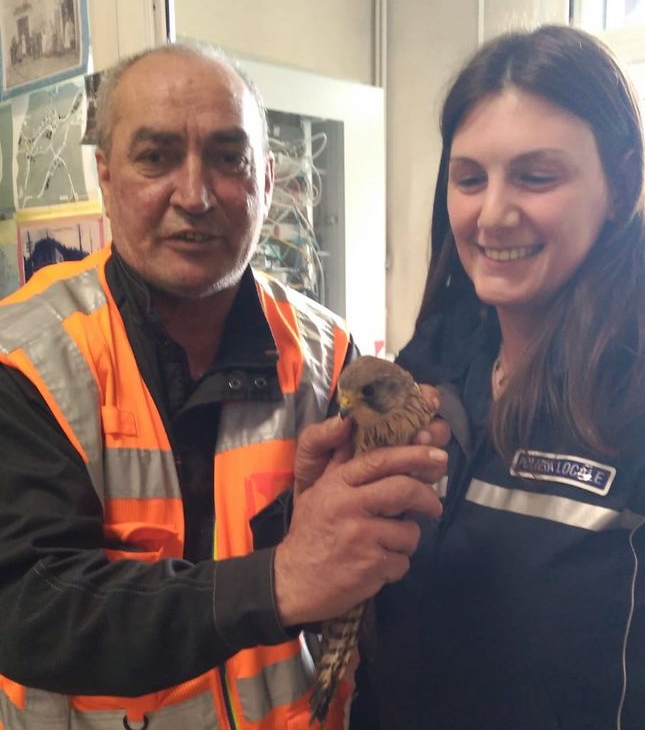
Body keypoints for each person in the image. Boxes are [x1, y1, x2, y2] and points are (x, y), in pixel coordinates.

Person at [0, 41, 448, 729]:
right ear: (106, 177)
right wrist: (277, 580)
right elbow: (26, 603)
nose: (194, 195)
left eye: (227, 158)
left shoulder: (330, 353)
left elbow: (365, 591)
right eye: (155, 157)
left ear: (265, 180)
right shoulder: (26, 358)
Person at [349, 24, 645, 729]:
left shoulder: (628, 398)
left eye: (537, 177)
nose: (493, 214)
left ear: (620, 183)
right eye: (470, 179)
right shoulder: (425, 372)